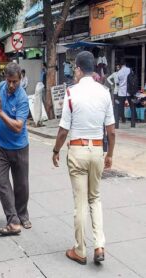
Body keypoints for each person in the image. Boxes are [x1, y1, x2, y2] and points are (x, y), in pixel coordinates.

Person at [52, 51, 115, 265]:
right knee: (95, 198)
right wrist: (110, 155)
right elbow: (111, 131)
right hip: (97, 150)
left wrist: (56, 150)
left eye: (75, 69)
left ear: (78, 69)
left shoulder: (71, 93)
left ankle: (80, 250)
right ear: (94, 69)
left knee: (79, 202)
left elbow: (63, 131)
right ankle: (99, 245)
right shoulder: (105, 92)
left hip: (77, 150)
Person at [0, 62, 31, 235]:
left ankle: (22, 215)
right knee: (1, 181)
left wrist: (1, 112)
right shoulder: (1, 87)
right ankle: (13, 219)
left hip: (19, 147)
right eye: (9, 81)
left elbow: (18, 126)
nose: (11, 85)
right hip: (1, 146)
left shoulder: (23, 98)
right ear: (5, 78)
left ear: (20, 79)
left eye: (15, 82)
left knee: (21, 185)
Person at [117, 59, 136, 127]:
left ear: (120, 65)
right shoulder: (130, 70)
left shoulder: (119, 72)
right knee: (132, 106)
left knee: (121, 106)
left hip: (121, 91)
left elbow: (117, 82)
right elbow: (133, 78)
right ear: (125, 64)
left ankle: (123, 119)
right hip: (130, 90)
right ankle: (133, 121)